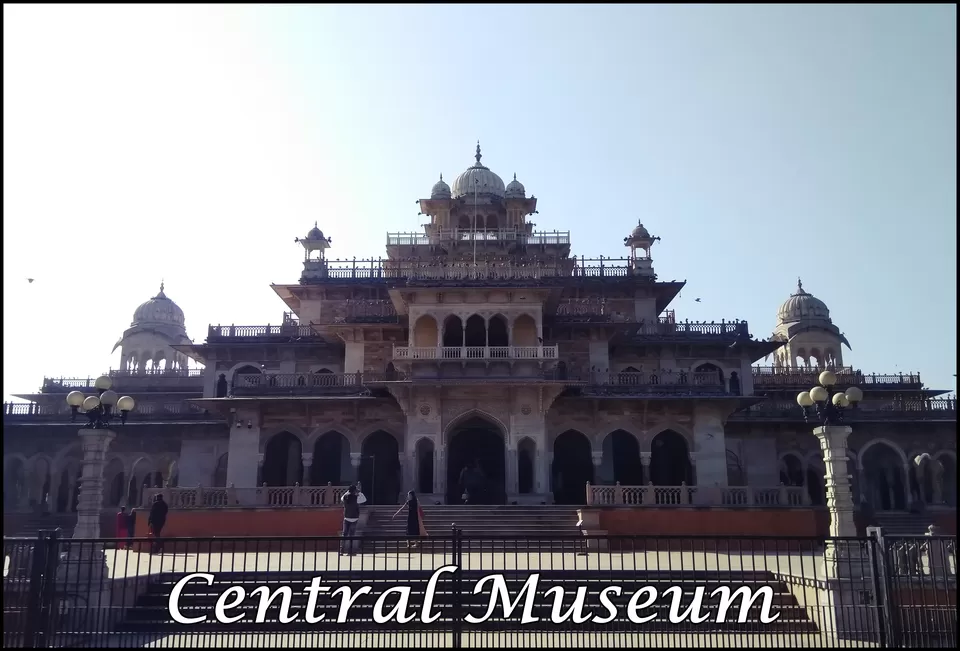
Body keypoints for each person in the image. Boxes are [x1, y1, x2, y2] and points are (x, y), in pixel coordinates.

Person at [340, 484, 367, 555]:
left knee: (344, 534)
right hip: (354, 517)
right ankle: (350, 551)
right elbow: (364, 499)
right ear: (355, 490)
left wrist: (347, 492)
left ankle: (341, 550)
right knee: (351, 535)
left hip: (346, 517)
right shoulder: (356, 498)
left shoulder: (345, 497)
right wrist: (359, 492)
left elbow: (341, 498)